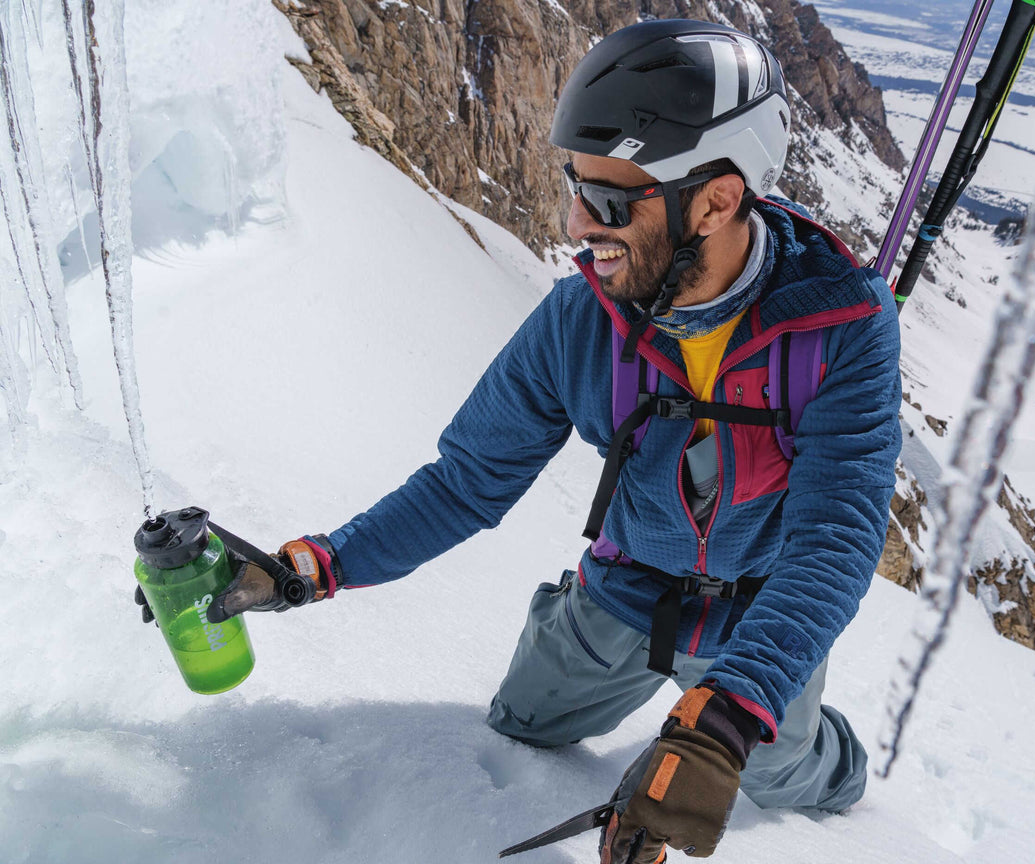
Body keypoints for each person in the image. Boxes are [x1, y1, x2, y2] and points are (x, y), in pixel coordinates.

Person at [166, 19, 901, 863]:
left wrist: (733, 714)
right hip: (626, 585)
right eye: (574, 185)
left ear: (716, 200)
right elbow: (465, 483)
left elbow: (833, 542)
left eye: (611, 201)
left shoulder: (842, 329)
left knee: (776, 767)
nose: (578, 222)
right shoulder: (580, 320)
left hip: (755, 613)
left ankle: (826, 757)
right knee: (523, 722)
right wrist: (315, 567)